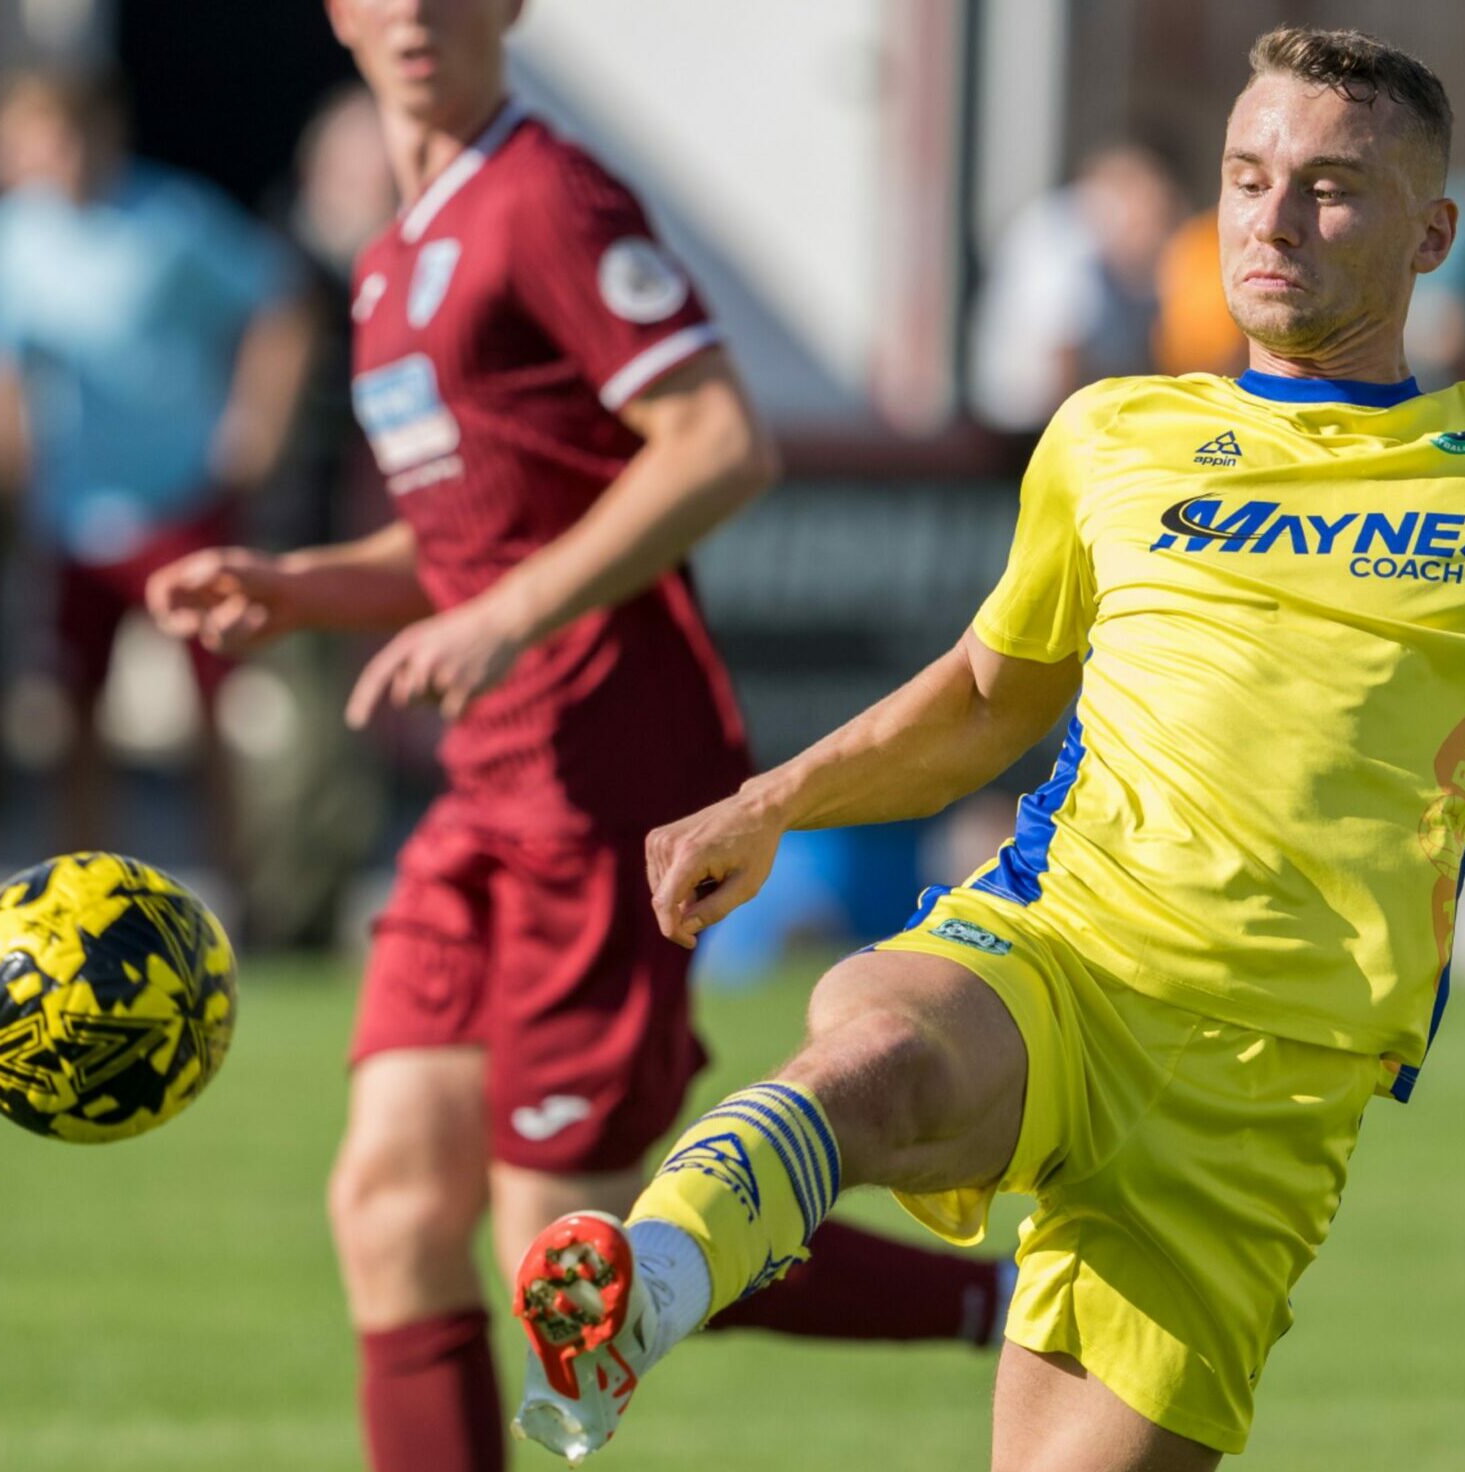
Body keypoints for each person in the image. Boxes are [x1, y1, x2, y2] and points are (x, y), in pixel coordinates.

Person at [510, 24, 1465, 1469]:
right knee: (876, 1056)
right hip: (1063, 948)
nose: (1270, 221)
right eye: (1248, 179)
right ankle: (644, 1287)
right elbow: (994, 697)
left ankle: (666, 1277)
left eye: (1331, 191)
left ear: (1430, 236)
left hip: (1270, 1091)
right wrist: (774, 799)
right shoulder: (1113, 435)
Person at [147, 4, 1008, 1470]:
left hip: (610, 776)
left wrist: (507, 618)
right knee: (390, 1207)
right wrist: (303, 591)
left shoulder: (546, 195)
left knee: (572, 1251)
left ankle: (1008, 1303)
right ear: (341, 15)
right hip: (490, 796)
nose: (416, 13)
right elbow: (477, 548)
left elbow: (722, 441)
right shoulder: (388, 260)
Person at [0, 68, 315, 881]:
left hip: (181, 501)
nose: (56, 156)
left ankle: (238, 893)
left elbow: (279, 304)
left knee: (213, 710)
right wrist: (3, 463)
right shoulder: (4, 242)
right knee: (69, 715)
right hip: (72, 515)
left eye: (68, 135)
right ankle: (74, 902)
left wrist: (255, 427)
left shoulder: (175, 220)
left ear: (102, 134)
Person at [970, 140, 1186, 430]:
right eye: (1156, 214)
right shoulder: (1066, 238)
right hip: (1029, 424)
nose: (1160, 235)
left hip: (1070, 415)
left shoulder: (1108, 248)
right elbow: (1063, 353)